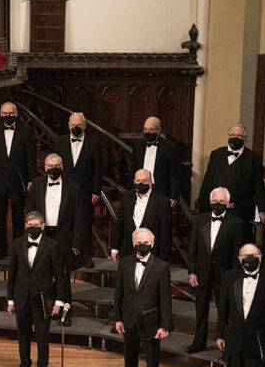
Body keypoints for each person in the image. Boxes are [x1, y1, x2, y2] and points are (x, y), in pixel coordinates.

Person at [7, 211, 70, 367]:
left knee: (42, 339)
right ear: (25, 225)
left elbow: (60, 275)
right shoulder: (18, 243)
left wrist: (58, 301)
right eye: (30, 224)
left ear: (42, 226)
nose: (33, 227)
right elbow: (12, 274)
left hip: (43, 300)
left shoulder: (52, 246)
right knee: (23, 336)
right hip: (22, 298)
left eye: (36, 224)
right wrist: (10, 300)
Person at [112, 228, 172, 367]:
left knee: (152, 360)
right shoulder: (125, 263)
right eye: (139, 242)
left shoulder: (161, 267)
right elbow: (119, 293)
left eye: (146, 242)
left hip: (151, 322)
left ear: (152, 244)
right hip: (129, 319)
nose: (142, 245)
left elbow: (165, 299)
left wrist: (165, 325)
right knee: (129, 358)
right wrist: (118, 318)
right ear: (133, 243)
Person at [185, 187, 244, 354]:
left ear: (227, 203)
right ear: (210, 202)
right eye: (215, 201)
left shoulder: (236, 223)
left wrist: (233, 277)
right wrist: (192, 271)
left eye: (222, 202)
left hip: (224, 274)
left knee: (224, 309)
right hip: (202, 272)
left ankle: (226, 344)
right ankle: (199, 342)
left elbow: (236, 252)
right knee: (200, 309)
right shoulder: (199, 220)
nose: (218, 204)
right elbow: (192, 248)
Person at [0, 101, 38, 261]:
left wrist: (31, 179)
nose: (8, 116)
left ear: (16, 114)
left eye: (11, 113)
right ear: (0, 114)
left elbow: (30, 158)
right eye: (5, 113)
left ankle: (18, 250)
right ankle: (1, 249)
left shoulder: (26, 131)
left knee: (18, 218)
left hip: (18, 180)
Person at [196, 123, 265, 239]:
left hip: (241, 212)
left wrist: (263, 209)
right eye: (233, 134)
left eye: (239, 136)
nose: (235, 137)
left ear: (245, 138)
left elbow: (259, 186)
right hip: (216, 210)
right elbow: (208, 181)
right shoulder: (216, 154)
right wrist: (202, 208)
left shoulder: (253, 158)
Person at [53, 112, 102, 267]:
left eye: (79, 125)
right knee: (65, 223)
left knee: (85, 223)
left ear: (85, 127)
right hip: (65, 190)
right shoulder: (60, 142)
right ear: (69, 125)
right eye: (73, 125)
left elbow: (98, 170)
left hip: (85, 191)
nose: (76, 128)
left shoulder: (93, 143)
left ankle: (85, 255)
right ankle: (64, 255)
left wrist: (96, 191)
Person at [25, 153, 82, 266]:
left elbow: (78, 217)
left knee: (62, 274)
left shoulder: (73, 187)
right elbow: (30, 212)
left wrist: (76, 243)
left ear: (62, 167)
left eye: (57, 165)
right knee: (42, 271)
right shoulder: (37, 184)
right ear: (45, 167)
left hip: (64, 237)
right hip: (42, 234)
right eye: (50, 166)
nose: (54, 168)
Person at [111, 168, 172, 262]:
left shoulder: (162, 201)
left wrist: (162, 260)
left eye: (144, 181)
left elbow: (165, 234)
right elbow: (120, 224)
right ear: (134, 181)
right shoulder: (126, 197)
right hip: (127, 251)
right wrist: (115, 248)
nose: (140, 183)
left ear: (150, 182)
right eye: (138, 180)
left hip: (151, 254)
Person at [128, 116, 179, 207]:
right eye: (145, 130)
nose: (147, 132)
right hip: (140, 189)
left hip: (160, 191)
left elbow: (174, 174)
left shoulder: (169, 147)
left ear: (158, 130)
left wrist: (173, 196)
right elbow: (133, 168)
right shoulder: (138, 145)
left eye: (151, 130)